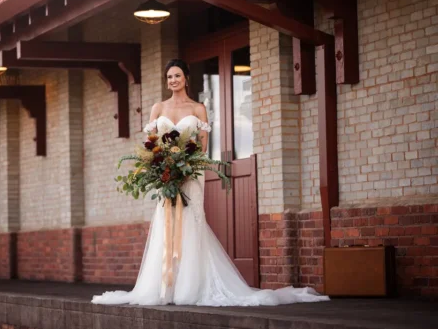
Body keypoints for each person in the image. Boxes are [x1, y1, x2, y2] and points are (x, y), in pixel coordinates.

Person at [92, 59, 329, 306]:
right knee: (166, 222)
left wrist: (184, 165)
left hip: (191, 174)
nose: (173, 80)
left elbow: (202, 146)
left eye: (177, 75)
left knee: (192, 222)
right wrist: (162, 166)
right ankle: (165, 286)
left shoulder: (198, 109)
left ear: (186, 77)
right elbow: (150, 145)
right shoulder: (158, 107)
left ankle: (190, 286)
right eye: (169, 77)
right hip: (165, 176)